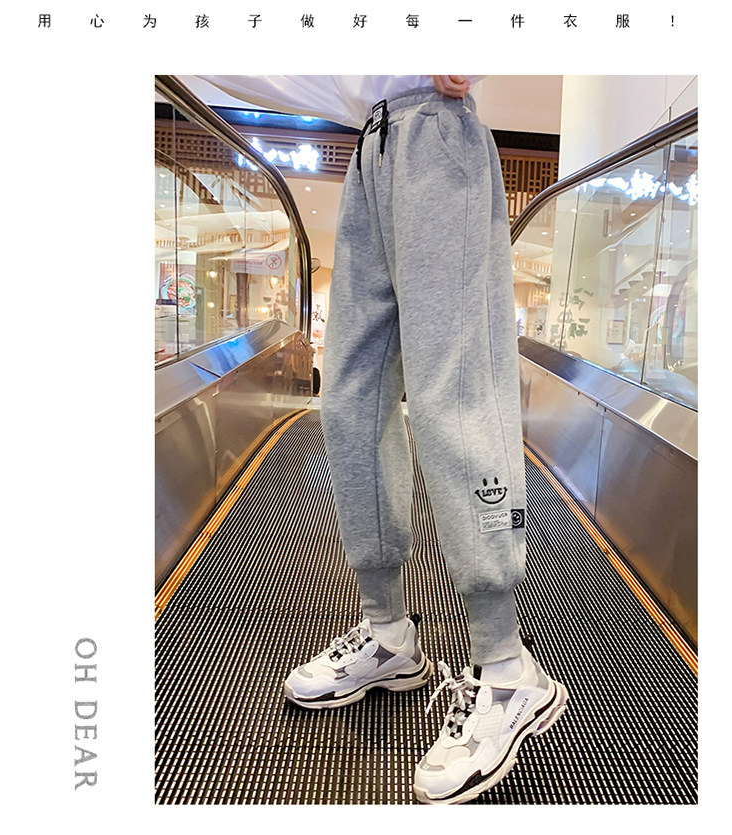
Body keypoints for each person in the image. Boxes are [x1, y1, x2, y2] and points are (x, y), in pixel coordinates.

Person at [201, 74, 568, 805]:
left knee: (453, 393)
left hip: (436, 127)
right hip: (371, 140)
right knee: (351, 397)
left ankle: (507, 666)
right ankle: (389, 633)